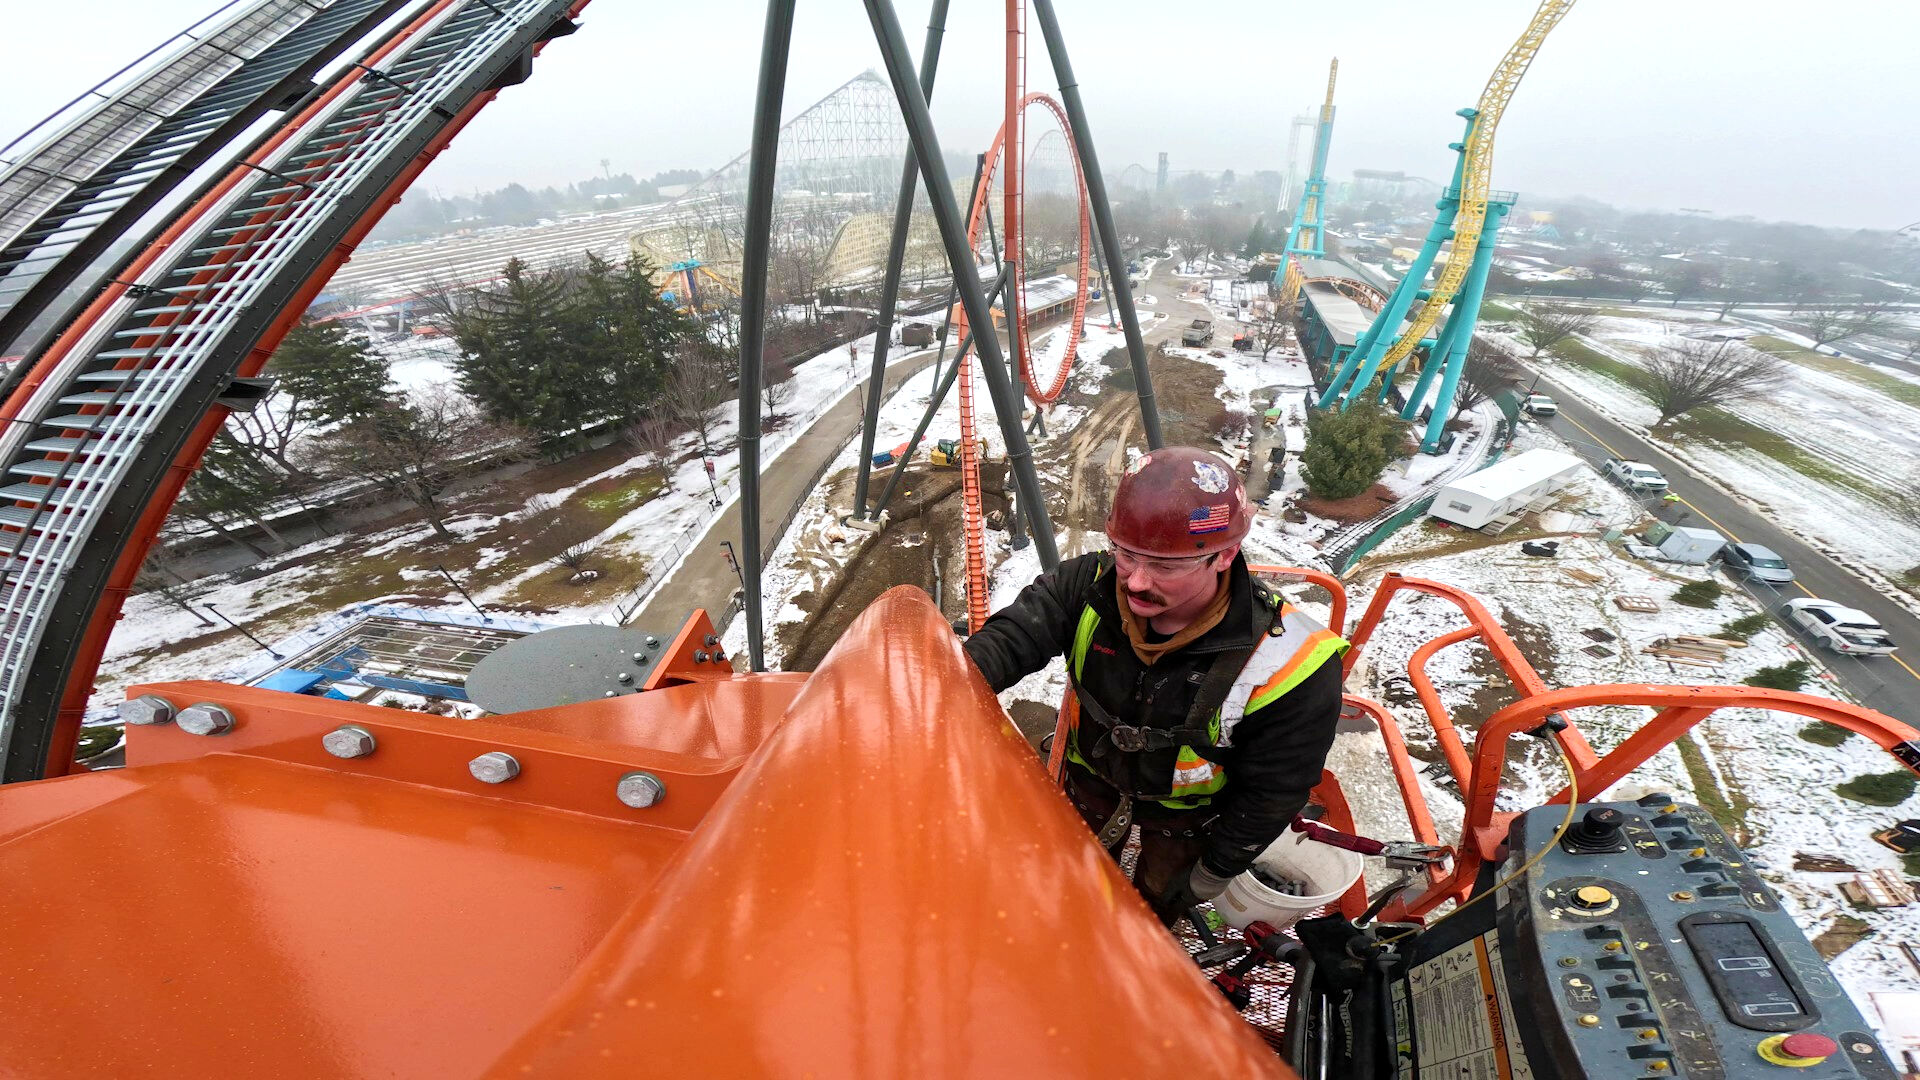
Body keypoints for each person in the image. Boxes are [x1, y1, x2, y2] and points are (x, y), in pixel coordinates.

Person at [963, 447, 1348, 924]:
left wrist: (1215, 868)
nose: (1137, 582)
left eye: (1165, 566)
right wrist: (945, 682)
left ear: (1225, 554)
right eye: (1127, 555)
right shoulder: (1089, 585)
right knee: (1073, 883)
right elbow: (1012, 639)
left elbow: (1274, 788)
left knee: (1153, 908)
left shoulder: (1291, 664)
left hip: (1191, 817)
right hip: (1093, 782)